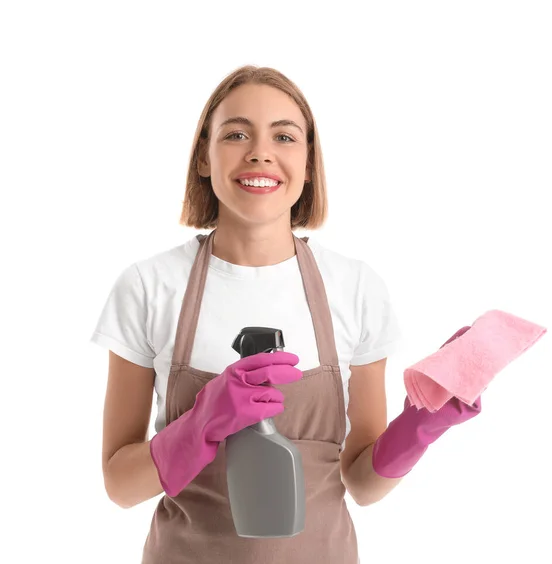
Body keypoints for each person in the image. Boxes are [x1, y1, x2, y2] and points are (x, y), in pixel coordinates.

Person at [90, 65, 481, 564]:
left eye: (284, 136)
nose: (260, 151)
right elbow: (120, 485)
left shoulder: (356, 288)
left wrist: (422, 423)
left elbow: (361, 482)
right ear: (204, 159)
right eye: (235, 133)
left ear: (309, 163)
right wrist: (200, 424)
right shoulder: (149, 286)